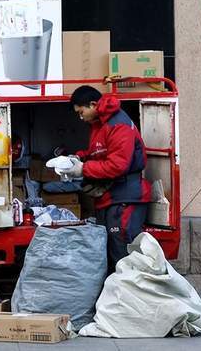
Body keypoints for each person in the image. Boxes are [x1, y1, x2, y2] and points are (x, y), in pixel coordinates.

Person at [65, 85, 150, 271]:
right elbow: (100, 152)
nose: (80, 117)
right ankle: (116, 297)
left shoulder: (118, 124)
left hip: (125, 198)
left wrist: (83, 169)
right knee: (112, 252)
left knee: (123, 253)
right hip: (112, 198)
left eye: (81, 112)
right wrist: (80, 157)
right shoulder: (100, 124)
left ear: (93, 105)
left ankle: (129, 298)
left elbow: (118, 165)